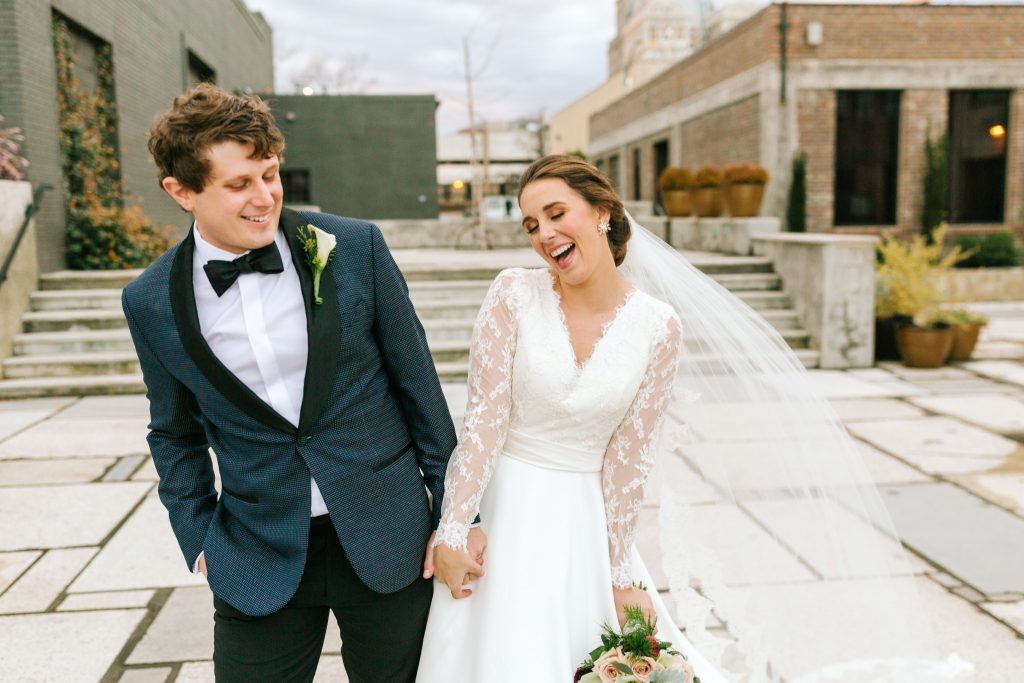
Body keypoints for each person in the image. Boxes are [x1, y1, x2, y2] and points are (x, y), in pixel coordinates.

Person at [122, 83, 483, 683]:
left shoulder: (355, 248)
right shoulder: (150, 300)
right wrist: (200, 539)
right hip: (255, 550)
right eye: (239, 184)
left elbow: (420, 390)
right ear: (181, 191)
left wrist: (456, 519)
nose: (264, 197)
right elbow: (173, 432)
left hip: (389, 537)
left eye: (270, 175)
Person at [416, 155, 730, 682]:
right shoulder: (513, 293)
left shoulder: (659, 327)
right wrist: (453, 529)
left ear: (602, 212)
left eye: (557, 214)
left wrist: (620, 572)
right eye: (531, 225)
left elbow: (629, 460)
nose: (544, 234)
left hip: (582, 523)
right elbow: (484, 423)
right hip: (505, 510)